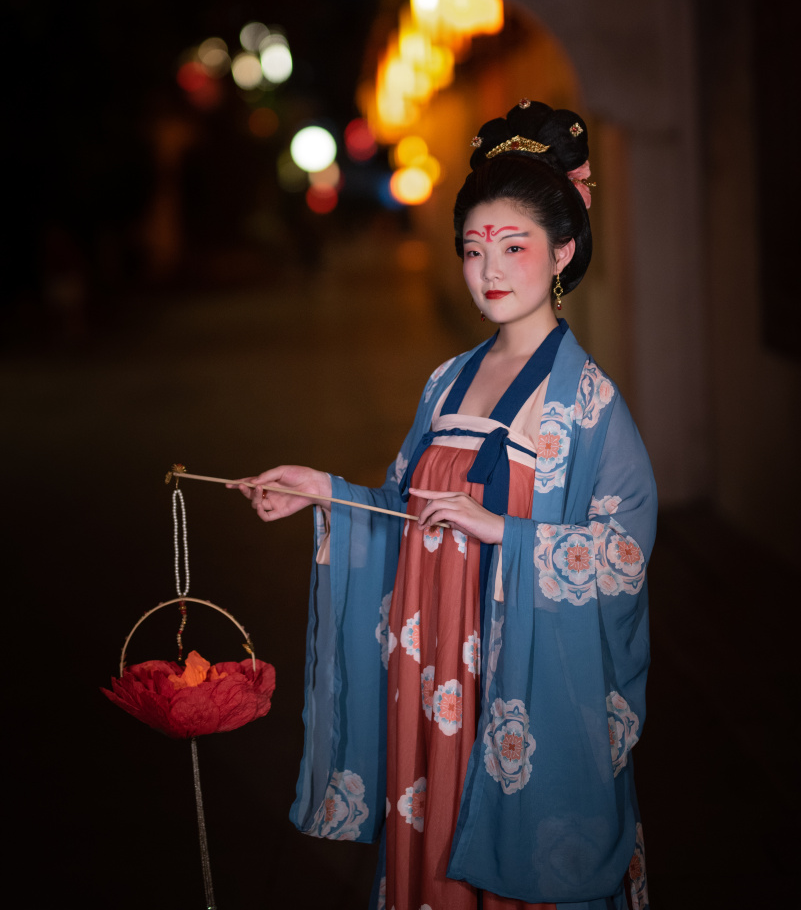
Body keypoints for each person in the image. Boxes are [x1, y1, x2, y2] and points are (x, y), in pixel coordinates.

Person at [234, 100, 656, 910]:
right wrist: (325, 492)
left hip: (515, 695)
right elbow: (405, 509)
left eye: (513, 246)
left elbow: (623, 553)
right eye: (471, 248)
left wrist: (505, 530)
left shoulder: (589, 405)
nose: (488, 269)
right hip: (432, 682)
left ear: (563, 252)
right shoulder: (445, 382)